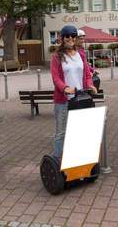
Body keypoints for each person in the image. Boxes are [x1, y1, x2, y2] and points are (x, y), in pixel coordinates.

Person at [50, 25, 97, 159]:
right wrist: (65, 88)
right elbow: (56, 78)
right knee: (61, 133)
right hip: (63, 100)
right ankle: (58, 159)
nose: (70, 38)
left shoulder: (81, 55)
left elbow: (87, 74)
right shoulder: (57, 57)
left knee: (78, 131)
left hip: (80, 98)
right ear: (62, 38)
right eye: (67, 36)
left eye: (73, 36)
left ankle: (76, 159)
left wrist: (90, 85)